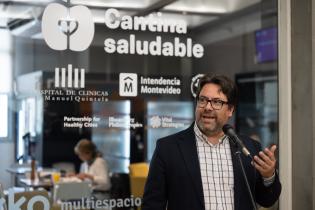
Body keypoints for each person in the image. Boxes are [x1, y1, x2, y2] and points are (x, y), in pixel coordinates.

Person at [142, 75, 281, 210]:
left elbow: (266, 200)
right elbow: (152, 205)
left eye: (216, 102)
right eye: (203, 100)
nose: (208, 107)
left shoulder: (248, 147)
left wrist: (268, 176)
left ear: (230, 110)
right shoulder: (168, 148)